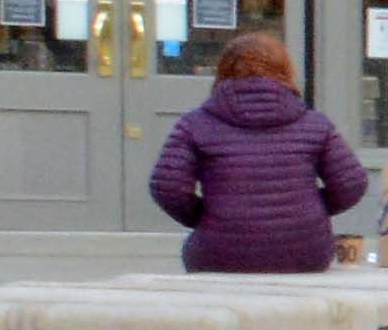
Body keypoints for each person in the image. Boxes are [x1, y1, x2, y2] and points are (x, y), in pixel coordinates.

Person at [148, 25, 365, 272]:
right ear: (285, 71)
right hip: (305, 252)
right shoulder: (315, 124)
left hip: (220, 254)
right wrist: (311, 211)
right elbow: (351, 183)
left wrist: (204, 217)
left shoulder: (195, 125)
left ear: (222, 73)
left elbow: (167, 186)